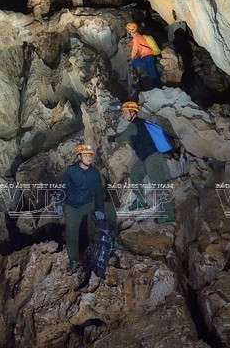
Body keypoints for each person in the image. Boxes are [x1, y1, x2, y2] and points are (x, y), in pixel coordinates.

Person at [110, 101, 176, 223]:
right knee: (135, 173)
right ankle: (141, 199)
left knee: (159, 185)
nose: (123, 114)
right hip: (146, 158)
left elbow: (122, 138)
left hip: (153, 158)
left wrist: (112, 138)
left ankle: (169, 214)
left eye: (125, 112)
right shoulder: (140, 124)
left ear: (133, 112)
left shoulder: (134, 125)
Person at [59, 144, 108, 272]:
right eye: (86, 155)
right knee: (71, 231)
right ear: (79, 157)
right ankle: (74, 259)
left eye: (90, 155)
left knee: (102, 217)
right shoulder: (71, 171)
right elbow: (62, 187)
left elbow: (98, 193)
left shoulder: (95, 173)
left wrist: (100, 210)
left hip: (88, 203)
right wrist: (58, 203)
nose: (89, 158)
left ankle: (95, 247)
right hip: (72, 205)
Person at [125, 22, 160, 90]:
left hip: (147, 56)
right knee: (134, 64)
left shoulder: (136, 37)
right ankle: (139, 82)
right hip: (147, 56)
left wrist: (132, 57)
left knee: (151, 73)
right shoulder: (137, 35)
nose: (127, 30)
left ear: (130, 30)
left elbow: (135, 48)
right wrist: (127, 45)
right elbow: (133, 42)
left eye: (127, 29)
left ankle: (156, 88)